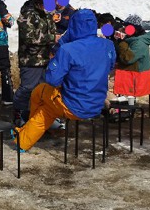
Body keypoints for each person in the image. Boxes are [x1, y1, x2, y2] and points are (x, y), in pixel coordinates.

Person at [13, 10, 115, 151]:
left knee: (40, 95)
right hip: (97, 103)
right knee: (47, 102)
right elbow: (109, 66)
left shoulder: (68, 49)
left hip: (73, 106)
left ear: (72, 25)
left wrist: (60, 48)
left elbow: (52, 79)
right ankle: (28, 134)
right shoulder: (107, 45)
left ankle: (23, 139)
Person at [12, 0, 58, 126]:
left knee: (43, 89)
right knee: (27, 88)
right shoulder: (28, 14)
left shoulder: (47, 14)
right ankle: (19, 114)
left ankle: (38, 117)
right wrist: (52, 38)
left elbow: (51, 30)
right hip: (31, 59)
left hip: (45, 57)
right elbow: (28, 37)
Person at [113, 14, 150, 98]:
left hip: (134, 80)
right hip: (129, 77)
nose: (124, 30)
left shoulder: (140, 43)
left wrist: (122, 42)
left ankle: (119, 109)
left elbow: (127, 59)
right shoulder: (132, 40)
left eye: (126, 28)